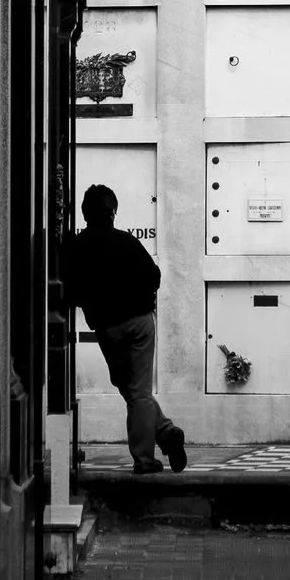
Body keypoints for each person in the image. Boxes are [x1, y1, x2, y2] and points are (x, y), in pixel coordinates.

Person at [61, 185, 187, 474]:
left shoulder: (76, 247)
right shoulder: (126, 242)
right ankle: (149, 454)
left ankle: (165, 433)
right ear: (112, 213)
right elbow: (153, 277)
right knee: (138, 391)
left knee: (128, 386)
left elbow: (71, 292)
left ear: (85, 213)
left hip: (107, 328)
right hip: (139, 323)